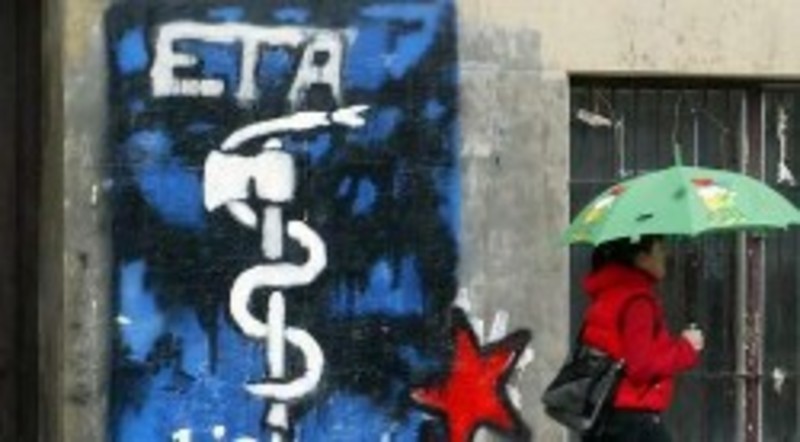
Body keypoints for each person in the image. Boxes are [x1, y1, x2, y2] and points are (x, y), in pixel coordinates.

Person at [581, 235, 704, 442]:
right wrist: (687, 348)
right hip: (633, 418)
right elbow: (640, 366)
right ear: (641, 258)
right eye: (660, 249)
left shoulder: (607, 295)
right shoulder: (638, 301)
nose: (665, 255)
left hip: (601, 414)